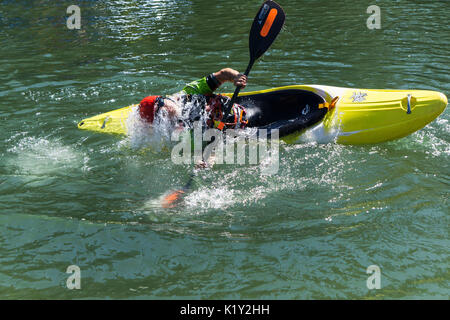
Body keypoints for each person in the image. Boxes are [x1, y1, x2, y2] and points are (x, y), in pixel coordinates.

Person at [138, 68, 249, 131]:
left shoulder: (190, 91)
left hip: (240, 111)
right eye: (159, 115)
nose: (164, 110)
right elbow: (211, 146)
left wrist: (236, 77)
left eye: (161, 104)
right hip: (236, 133)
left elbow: (224, 74)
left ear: (164, 98)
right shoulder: (178, 134)